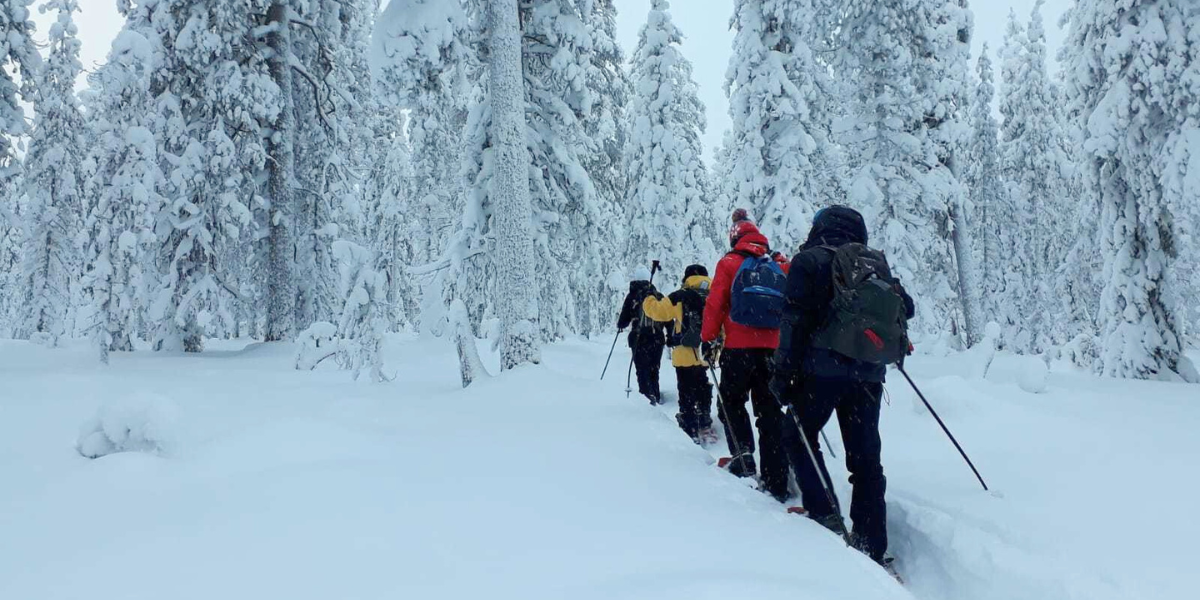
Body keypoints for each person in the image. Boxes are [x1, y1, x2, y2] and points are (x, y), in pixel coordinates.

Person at [770, 205, 915, 568]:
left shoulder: (809, 261)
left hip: (821, 371)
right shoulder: (874, 263)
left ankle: (825, 515)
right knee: (866, 459)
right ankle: (872, 546)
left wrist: (781, 373)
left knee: (797, 433)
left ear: (819, 227)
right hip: (868, 374)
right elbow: (906, 307)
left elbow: (794, 320)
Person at [701, 209, 792, 502]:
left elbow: (715, 304)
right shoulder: (778, 264)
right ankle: (777, 478)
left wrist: (707, 338)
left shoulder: (729, 262)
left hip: (738, 348)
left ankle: (743, 457)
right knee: (769, 411)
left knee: (732, 402)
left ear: (734, 238)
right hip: (772, 350)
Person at [642, 264, 717, 444]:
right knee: (702, 381)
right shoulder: (715, 295)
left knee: (686, 388)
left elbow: (658, 312)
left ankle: (689, 423)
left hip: (684, 352)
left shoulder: (680, 296)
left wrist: (648, 298)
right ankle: (704, 416)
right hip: (707, 351)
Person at [617, 266, 667, 405]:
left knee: (642, 369)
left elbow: (623, 321)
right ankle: (655, 394)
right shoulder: (657, 295)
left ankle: (646, 397)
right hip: (657, 337)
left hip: (639, 338)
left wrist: (621, 325)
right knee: (654, 368)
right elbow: (667, 316)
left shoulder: (632, 296)